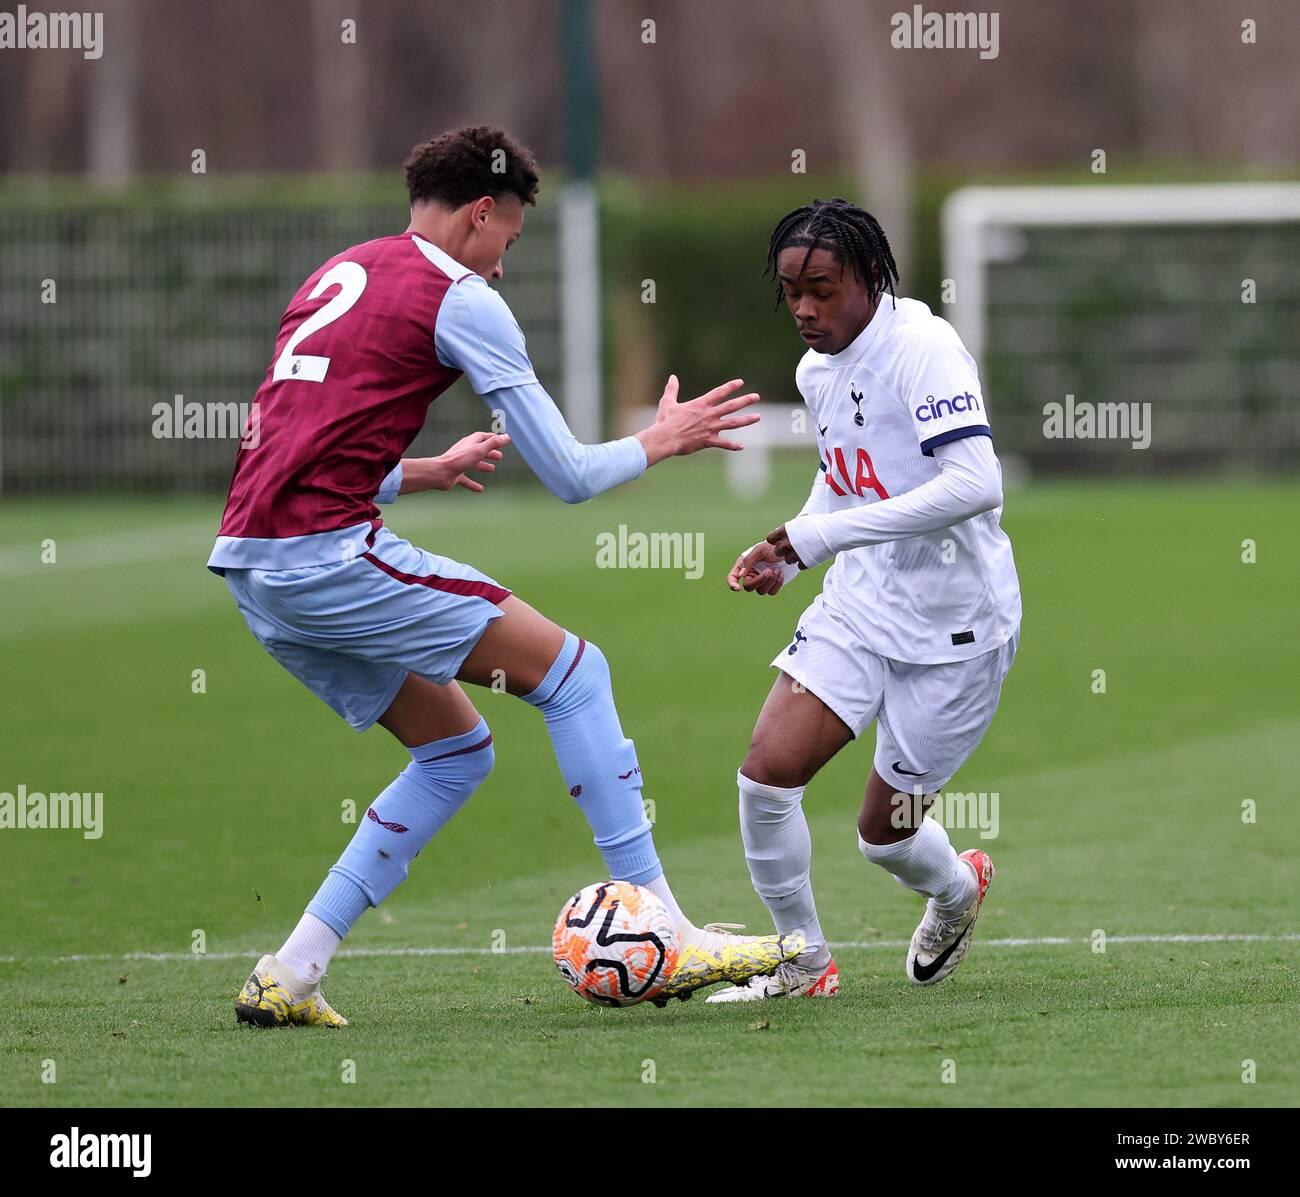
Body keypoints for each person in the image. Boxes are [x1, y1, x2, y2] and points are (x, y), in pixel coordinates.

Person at [211, 126, 803, 1027]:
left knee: (454, 750)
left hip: (253, 565)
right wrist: (662, 439)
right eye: (510, 243)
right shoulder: (461, 297)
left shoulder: (342, 272)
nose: (501, 268)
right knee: (576, 673)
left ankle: (291, 969)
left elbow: (298, 444)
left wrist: (420, 471)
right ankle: (667, 927)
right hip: (328, 556)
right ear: (483, 214)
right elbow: (567, 475)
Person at [708, 198, 1021, 1002]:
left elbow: (975, 481)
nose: (805, 309)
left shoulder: (924, 349)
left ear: (871, 277)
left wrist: (826, 538)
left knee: (885, 836)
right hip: (859, 608)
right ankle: (804, 960)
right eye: (791, 291)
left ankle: (955, 890)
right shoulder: (818, 369)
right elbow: (844, 476)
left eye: (822, 288)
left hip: (957, 634)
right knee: (765, 775)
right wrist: (793, 546)